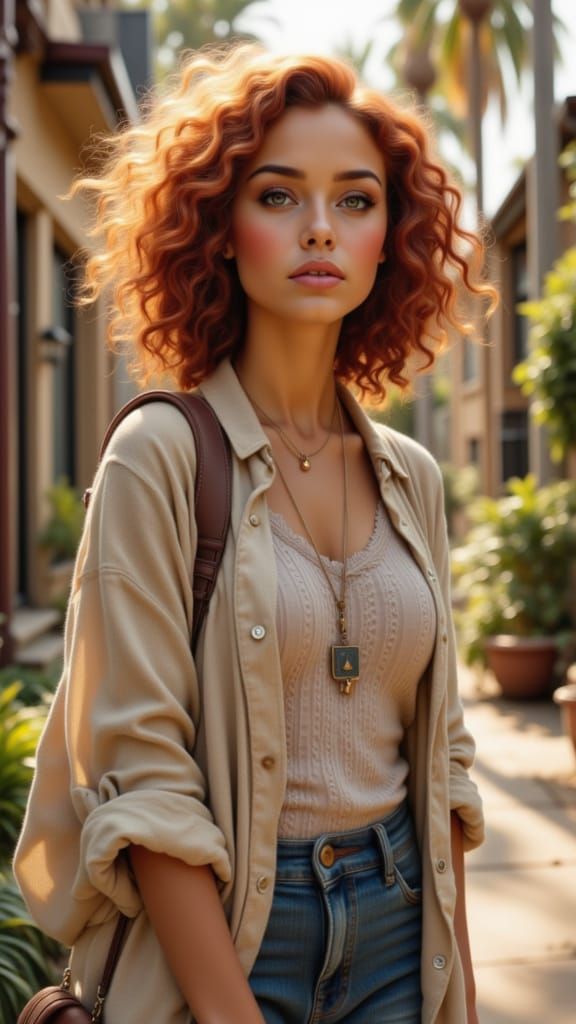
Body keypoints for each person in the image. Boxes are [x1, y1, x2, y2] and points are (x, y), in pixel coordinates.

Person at [14, 44, 495, 1024]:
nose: (320, 227)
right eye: (279, 196)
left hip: (406, 935)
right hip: (228, 940)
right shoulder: (158, 456)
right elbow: (144, 781)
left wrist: (464, 998)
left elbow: (441, 766)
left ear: (389, 239)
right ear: (219, 226)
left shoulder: (414, 478)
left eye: (355, 201)